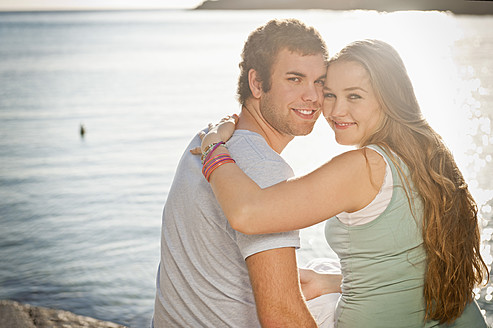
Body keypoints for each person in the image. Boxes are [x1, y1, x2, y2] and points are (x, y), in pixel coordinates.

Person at [197, 39, 490, 327]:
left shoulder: (364, 166)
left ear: (389, 98)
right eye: (330, 94)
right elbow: (412, 265)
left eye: (354, 96)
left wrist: (213, 146)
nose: (335, 111)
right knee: (321, 271)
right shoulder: (430, 152)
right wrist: (334, 282)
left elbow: (247, 213)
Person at [152, 18, 343, 328]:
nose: (313, 96)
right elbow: (280, 317)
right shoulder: (263, 168)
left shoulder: (211, 137)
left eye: (319, 81)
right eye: (295, 79)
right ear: (256, 83)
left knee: (327, 270)